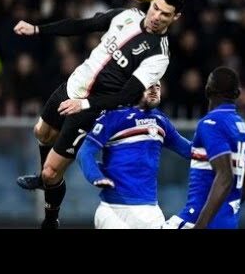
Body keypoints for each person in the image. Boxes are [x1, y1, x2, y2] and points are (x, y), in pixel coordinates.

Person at [15, 0, 188, 229]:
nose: (157, 16)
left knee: (52, 172)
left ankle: (51, 218)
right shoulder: (126, 16)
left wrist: (84, 105)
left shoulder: (159, 56)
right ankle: (45, 179)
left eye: (166, 14)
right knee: (41, 132)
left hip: (92, 107)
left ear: (176, 17)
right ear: (150, 2)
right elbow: (82, 25)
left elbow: (125, 96)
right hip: (73, 85)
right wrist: (37, 29)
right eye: (156, 8)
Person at [77, 81, 192, 229]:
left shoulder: (161, 120)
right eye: (149, 86)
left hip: (151, 211)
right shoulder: (113, 116)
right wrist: (96, 177)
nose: (155, 90)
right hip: (115, 210)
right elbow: (84, 153)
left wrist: (221, 146)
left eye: (158, 87)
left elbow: (189, 150)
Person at [163, 67, 245, 229]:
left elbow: (225, 175)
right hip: (227, 223)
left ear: (207, 90)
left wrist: (202, 224)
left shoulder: (210, 123)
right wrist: (226, 210)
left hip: (196, 220)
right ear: (237, 93)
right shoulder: (240, 127)